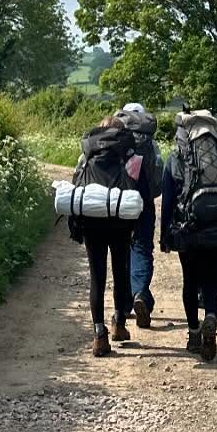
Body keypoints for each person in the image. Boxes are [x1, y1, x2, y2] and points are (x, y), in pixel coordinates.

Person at [70, 114, 159, 357]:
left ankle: (99, 336)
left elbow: (76, 184)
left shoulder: (87, 154)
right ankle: (119, 324)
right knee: (121, 270)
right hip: (120, 222)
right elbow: (143, 193)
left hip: (92, 221)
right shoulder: (131, 156)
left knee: (97, 276)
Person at [160, 108, 217, 360]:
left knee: (190, 280)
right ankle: (212, 315)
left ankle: (194, 333)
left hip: (188, 227)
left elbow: (168, 198)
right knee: (214, 276)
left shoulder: (178, 155)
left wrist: (165, 236)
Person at [115, 100, 162, 328]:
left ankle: (123, 305)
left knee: (120, 251)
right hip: (143, 201)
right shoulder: (150, 143)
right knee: (142, 248)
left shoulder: (113, 135)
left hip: (116, 202)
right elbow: (158, 173)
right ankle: (141, 294)